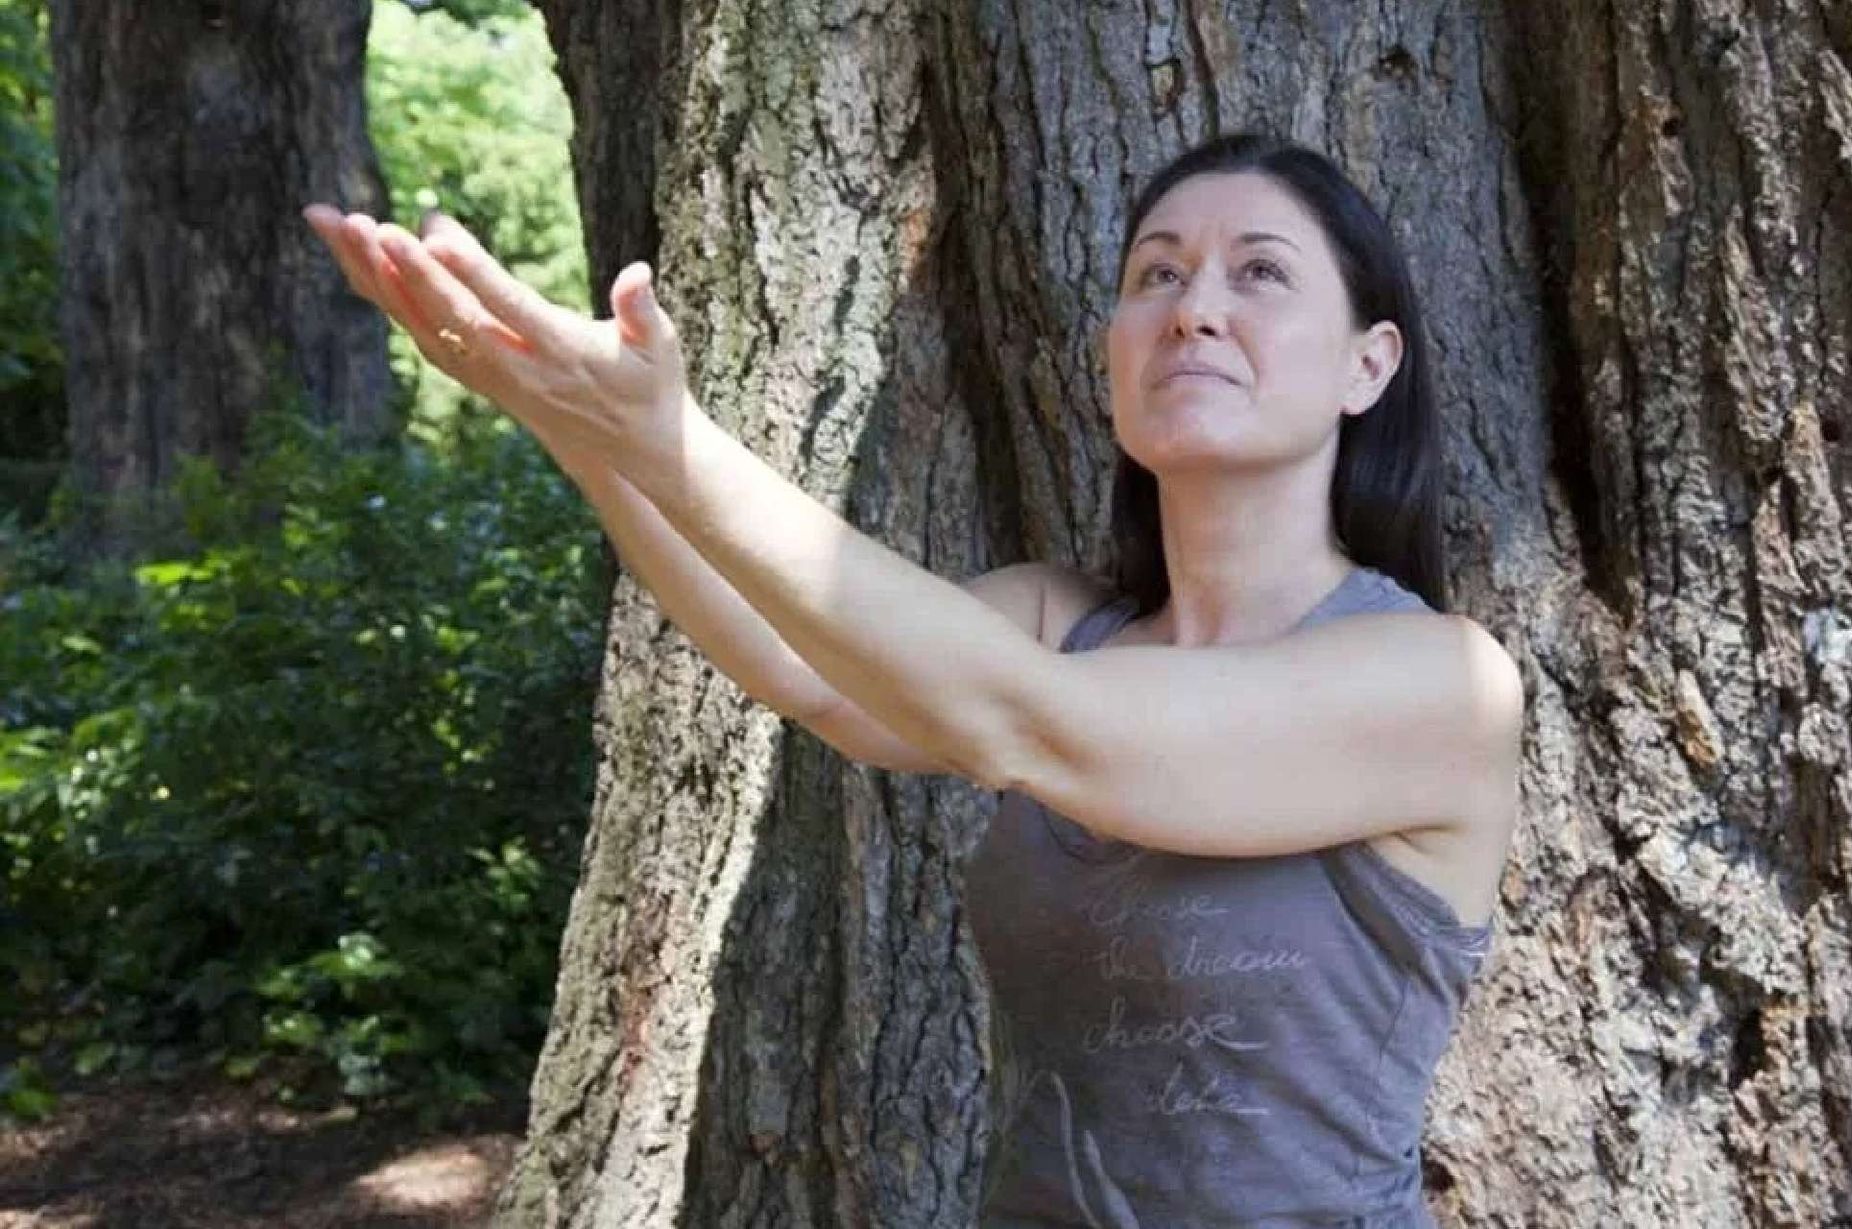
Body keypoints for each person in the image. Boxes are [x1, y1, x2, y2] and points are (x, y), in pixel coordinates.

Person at [304, 130, 1523, 1228]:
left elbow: (1033, 726)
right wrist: (560, 408)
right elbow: (804, 663)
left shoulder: (1439, 683)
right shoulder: (1064, 621)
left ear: (1369, 365)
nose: (1194, 308)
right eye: (1156, 272)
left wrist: (666, 436)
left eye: (1260, 272)